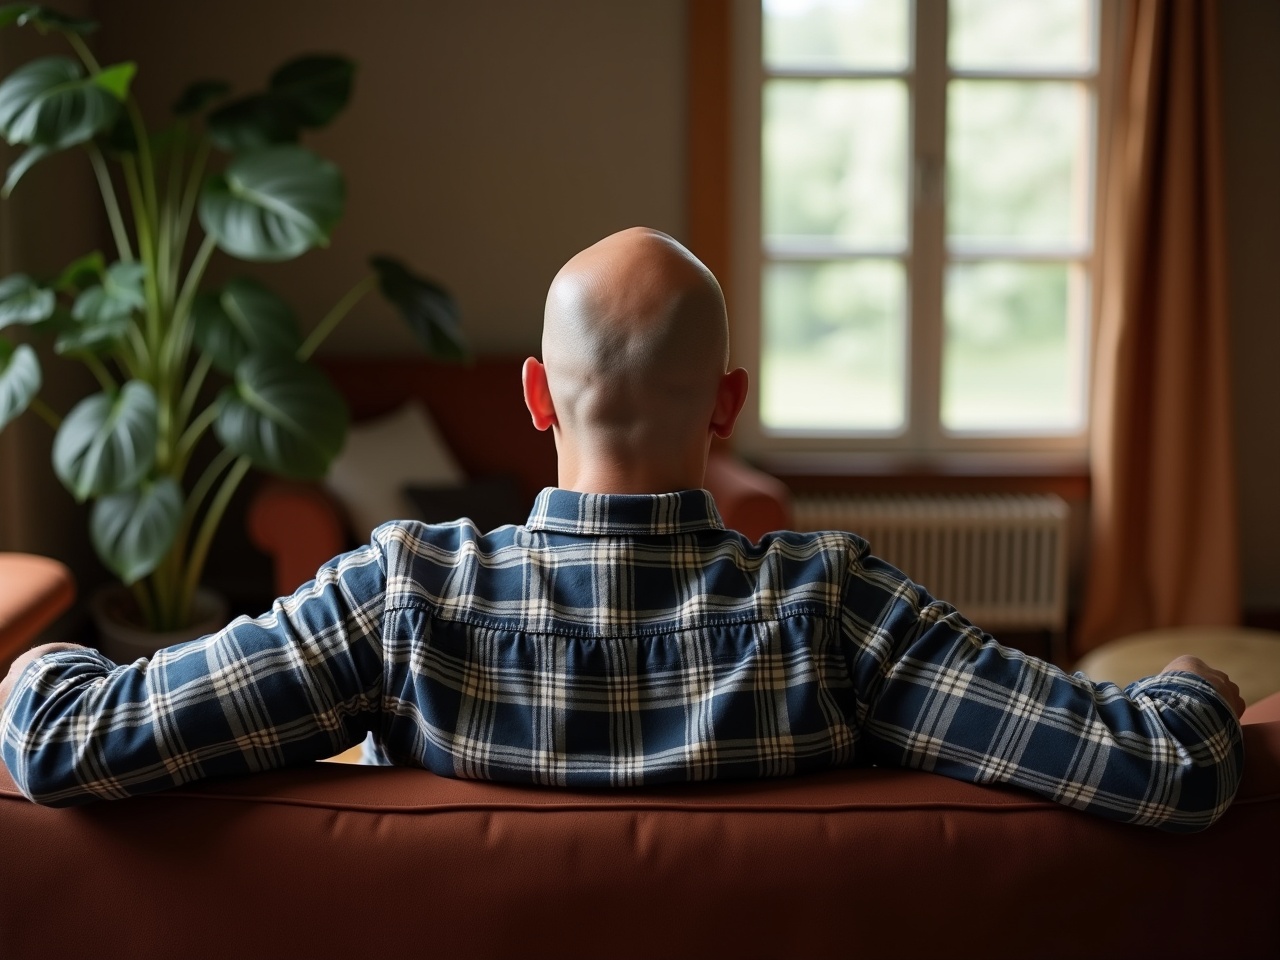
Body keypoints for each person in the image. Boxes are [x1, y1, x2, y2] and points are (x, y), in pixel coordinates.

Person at [0, 227, 1245, 830]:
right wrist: (1192, 684)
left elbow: (63, 742)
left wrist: (42, 651)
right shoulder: (831, 606)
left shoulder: (399, 598)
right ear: (727, 406)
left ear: (534, 397)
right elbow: (1165, 771)